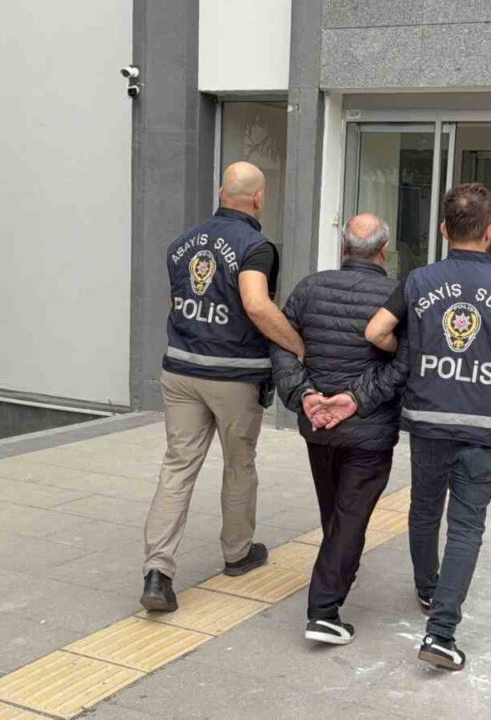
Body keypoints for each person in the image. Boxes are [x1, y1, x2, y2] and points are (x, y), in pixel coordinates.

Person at [365, 183, 491, 672]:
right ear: (490, 231)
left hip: (429, 418)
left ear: (444, 229)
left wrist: (413, 352)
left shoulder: (420, 281)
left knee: (425, 508)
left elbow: (376, 331)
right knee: (467, 524)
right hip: (485, 422)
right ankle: (441, 633)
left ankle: (427, 588)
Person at [140, 161, 306, 613]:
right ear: (259, 199)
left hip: (180, 369)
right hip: (233, 376)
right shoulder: (256, 247)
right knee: (239, 464)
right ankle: (237, 553)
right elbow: (256, 304)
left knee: (177, 467)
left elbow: (178, 302)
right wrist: (298, 346)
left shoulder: (181, 244)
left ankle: (157, 572)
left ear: (220, 192)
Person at [270, 213, 407, 646]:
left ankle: (339, 571)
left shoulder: (309, 288)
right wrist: (356, 400)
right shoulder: (396, 296)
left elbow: (281, 344)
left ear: (344, 247)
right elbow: (404, 363)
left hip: (320, 427)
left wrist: (306, 396)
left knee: (337, 512)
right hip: (368, 430)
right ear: (384, 250)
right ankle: (324, 612)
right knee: (349, 517)